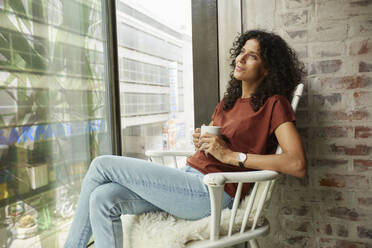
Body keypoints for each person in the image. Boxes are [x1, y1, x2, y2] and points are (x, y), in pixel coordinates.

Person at [64, 29, 307, 248]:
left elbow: (296, 164)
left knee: (101, 165)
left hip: (213, 192)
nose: (241, 58)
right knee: (103, 198)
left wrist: (233, 157)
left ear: (267, 69)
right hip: (188, 180)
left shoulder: (274, 104)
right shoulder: (227, 103)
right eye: (241, 52)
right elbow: (215, 148)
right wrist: (202, 142)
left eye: (252, 56)